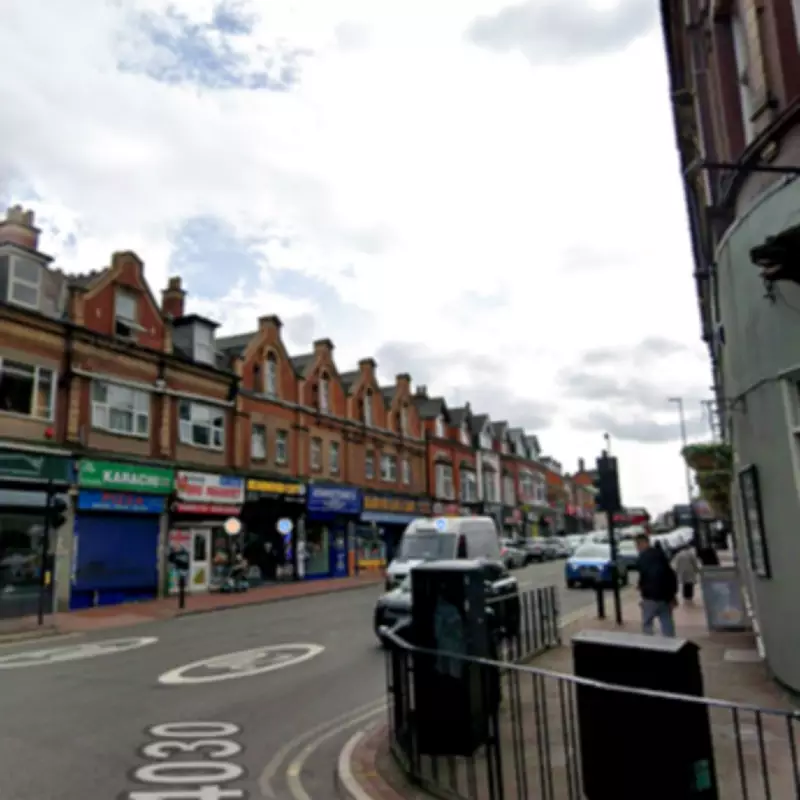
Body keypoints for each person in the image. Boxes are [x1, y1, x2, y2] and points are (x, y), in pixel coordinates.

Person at [634, 533, 678, 636]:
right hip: (665, 595)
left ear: (642, 543)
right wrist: (672, 595)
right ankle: (670, 643)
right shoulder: (660, 555)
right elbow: (670, 575)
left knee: (647, 622)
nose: (637, 548)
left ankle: (650, 645)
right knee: (666, 620)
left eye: (637, 545)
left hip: (650, 595)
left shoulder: (643, 558)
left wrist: (641, 586)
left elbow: (645, 575)